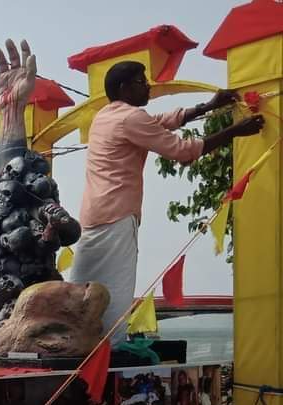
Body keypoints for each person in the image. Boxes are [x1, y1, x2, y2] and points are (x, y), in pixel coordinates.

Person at [71, 61, 265, 344]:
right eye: (142, 82)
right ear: (124, 88)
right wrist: (234, 131)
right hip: (117, 215)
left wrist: (207, 107)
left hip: (94, 215)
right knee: (115, 292)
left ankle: (82, 345)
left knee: (83, 290)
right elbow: (183, 151)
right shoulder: (130, 118)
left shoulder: (105, 116)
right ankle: (109, 349)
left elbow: (158, 122)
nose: (148, 86)